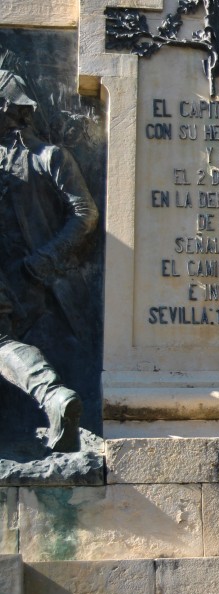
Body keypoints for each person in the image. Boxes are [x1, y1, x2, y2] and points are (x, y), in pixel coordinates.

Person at [0, 70, 98, 452]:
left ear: (8, 108)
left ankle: (54, 398)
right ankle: (53, 399)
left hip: (29, 277)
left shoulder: (48, 156)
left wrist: (42, 260)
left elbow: (84, 213)